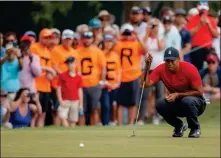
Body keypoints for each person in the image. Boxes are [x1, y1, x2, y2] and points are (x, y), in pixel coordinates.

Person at [145, 46, 206, 138]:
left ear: (178, 59)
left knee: (187, 101)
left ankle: (195, 128)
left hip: (197, 103)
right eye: (167, 61)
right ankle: (179, 126)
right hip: (178, 103)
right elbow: (145, 84)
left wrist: (178, 95)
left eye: (172, 61)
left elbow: (200, 92)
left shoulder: (190, 69)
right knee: (160, 104)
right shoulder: (161, 69)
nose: (169, 64)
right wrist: (147, 66)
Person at [114, 24, 145, 125]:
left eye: (129, 33)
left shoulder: (136, 43)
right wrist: (119, 37)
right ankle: (119, 123)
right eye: (125, 33)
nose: (127, 36)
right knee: (120, 103)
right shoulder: (118, 44)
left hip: (134, 75)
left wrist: (137, 37)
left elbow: (145, 51)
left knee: (133, 102)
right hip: (121, 76)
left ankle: (131, 123)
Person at [138, 18, 165, 125]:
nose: (153, 28)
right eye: (151, 25)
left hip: (159, 70)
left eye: (155, 26)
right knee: (144, 95)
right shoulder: (144, 37)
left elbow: (160, 47)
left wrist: (157, 34)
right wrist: (147, 33)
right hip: (147, 69)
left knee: (159, 94)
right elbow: (143, 49)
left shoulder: (161, 37)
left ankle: (157, 117)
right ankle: (141, 118)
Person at [76, 31, 106, 126]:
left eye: (89, 38)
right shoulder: (77, 51)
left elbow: (103, 67)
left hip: (94, 84)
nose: (87, 40)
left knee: (94, 108)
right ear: (82, 39)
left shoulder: (97, 51)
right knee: (82, 109)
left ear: (92, 39)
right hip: (81, 85)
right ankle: (81, 129)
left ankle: (94, 128)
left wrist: (102, 80)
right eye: (85, 38)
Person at [51, 29, 78, 126]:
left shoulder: (74, 52)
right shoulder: (56, 50)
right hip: (59, 85)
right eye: (66, 39)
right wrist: (66, 77)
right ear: (62, 39)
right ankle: (58, 130)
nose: (68, 41)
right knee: (58, 111)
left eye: (69, 39)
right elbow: (54, 66)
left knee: (71, 112)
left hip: (71, 87)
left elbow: (76, 70)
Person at [30, 28, 56, 127]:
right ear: (40, 38)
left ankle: (39, 132)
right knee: (35, 112)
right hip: (36, 85)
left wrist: (50, 73)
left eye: (50, 38)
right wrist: (48, 69)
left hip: (46, 86)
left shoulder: (49, 51)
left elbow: (50, 67)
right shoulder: (34, 48)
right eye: (46, 37)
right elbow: (32, 66)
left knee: (43, 113)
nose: (48, 40)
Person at [186, 1, 219, 70]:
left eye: (205, 9)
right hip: (196, 49)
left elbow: (216, 35)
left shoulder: (211, 19)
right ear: (198, 8)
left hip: (208, 49)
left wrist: (209, 25)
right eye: (202, 9)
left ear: (207, 9)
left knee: (211, 68)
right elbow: (188, 34)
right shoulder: (192, 19)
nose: (203, 11)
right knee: (197, 69)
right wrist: (200, 25)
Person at [100, 34, 121, 126]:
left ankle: (113, 122)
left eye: (110, 42)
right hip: (104, 85)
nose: (108, 44)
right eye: (106, 41)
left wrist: (117, 83)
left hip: (114, 85)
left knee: (114, 104)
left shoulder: (115, 55)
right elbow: (99, 70)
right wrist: (105, 82)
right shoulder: (100, 53)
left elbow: (118, 70)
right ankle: (105, 123)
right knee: (105, 105)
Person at [57, 57, 83, 127]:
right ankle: (67, 130)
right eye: (68, 64)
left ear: (75, 64)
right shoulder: (62, 75)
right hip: (65, 99)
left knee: (73, 120)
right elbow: (58, 88)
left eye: (72, 63)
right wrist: (60, 100)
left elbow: (80, 90)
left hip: (75, 100)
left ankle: (70, 135)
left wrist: (81, 104)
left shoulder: (78, 77)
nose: (70, 65)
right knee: (62, 116)